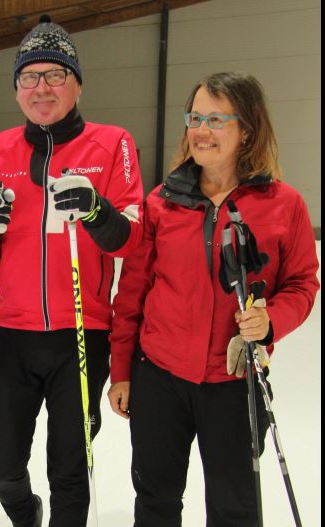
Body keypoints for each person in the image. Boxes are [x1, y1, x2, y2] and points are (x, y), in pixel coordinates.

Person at [108, 71, 320, 526]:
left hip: (234, 383)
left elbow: (303, 283)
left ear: (247, 129)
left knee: (234, 508)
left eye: (217, 119)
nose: (201, 130)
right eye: (195, 117)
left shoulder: (284, 204)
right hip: (160, 377)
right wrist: (122, 370)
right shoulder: (162, 202)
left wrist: (271, 321)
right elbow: (132, 295)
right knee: (155, 499)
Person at [0, 14, 144, 527]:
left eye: (55, 75)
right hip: (11, 332)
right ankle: (24, 512)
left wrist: (94, 210)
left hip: (81, 333)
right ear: (17, 88)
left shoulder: (112, 144)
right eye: (29, 77)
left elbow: (131, 235)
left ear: (77, 83)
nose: (41, 88)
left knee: (68, 467)